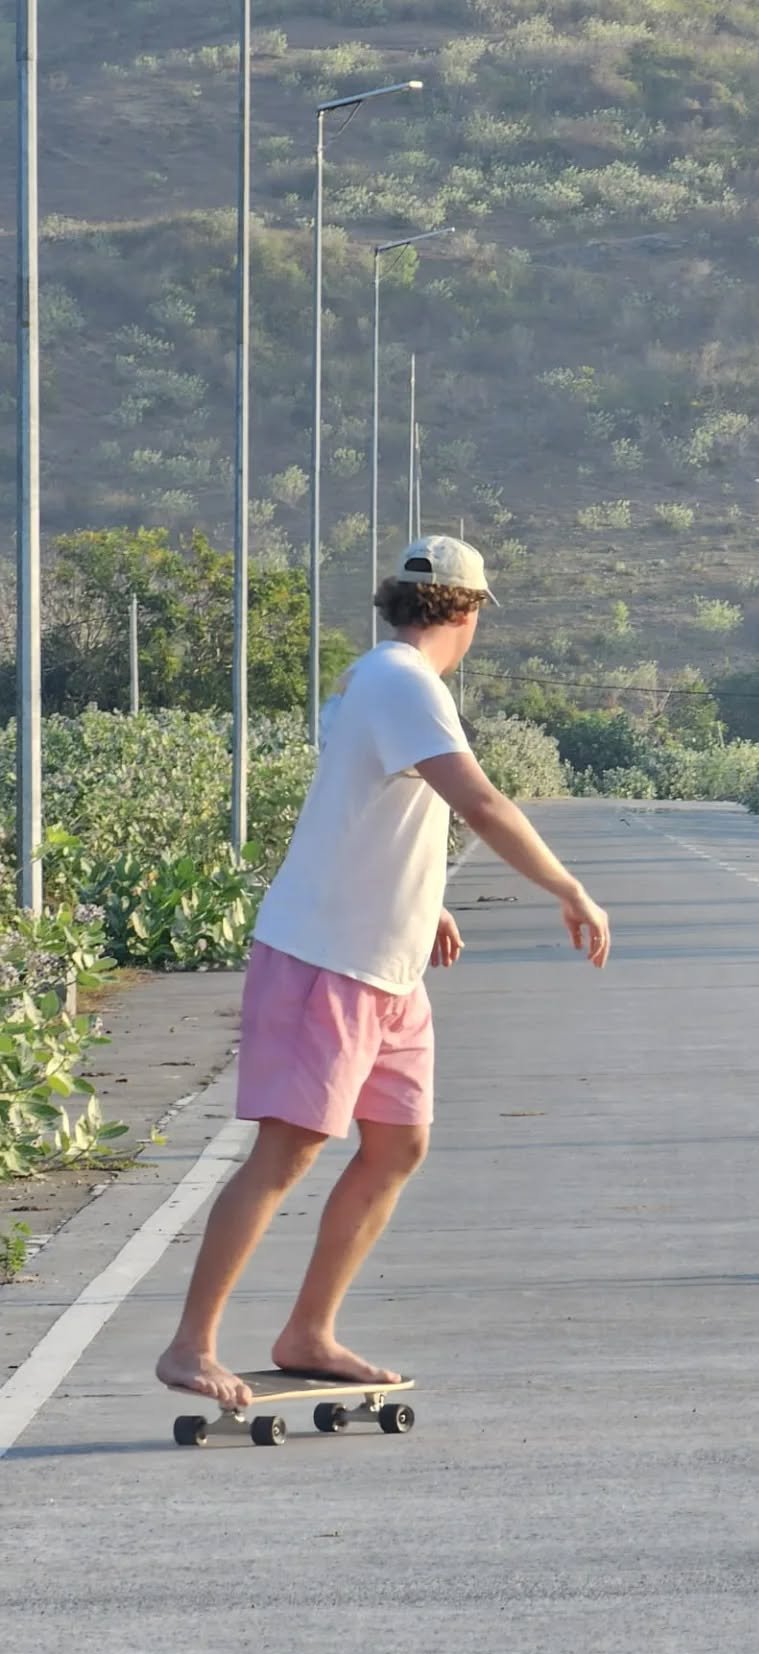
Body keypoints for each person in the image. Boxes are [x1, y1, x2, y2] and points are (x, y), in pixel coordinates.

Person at [156, 536, 611, 1411]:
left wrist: (424, 898)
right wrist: (570, 888)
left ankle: (308, 1333)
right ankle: (189, 1346)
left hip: (389, 966)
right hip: (326, 956)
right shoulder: (404, 683)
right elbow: (480, 801)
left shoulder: (381, 681)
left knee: (398, 1145)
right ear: (471, 612)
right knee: (288, 1151)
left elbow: (370, 807)